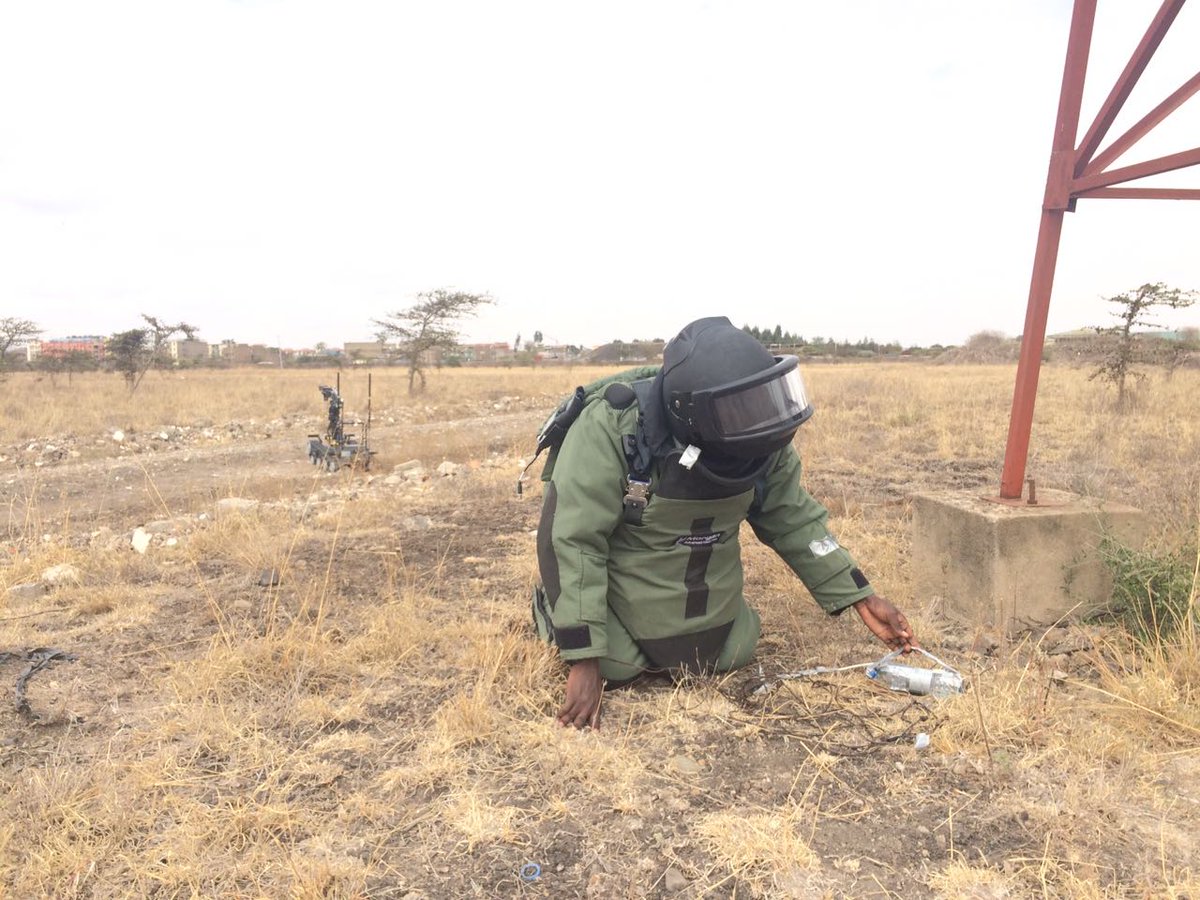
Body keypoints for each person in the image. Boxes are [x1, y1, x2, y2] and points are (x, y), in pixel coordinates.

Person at [532, 316, 916, 729]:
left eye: (764, 400)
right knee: (617, 666)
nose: (757, 417)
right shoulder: (613, 427)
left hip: (703, 593)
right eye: (740, 411)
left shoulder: (761, 434)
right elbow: (573, 539)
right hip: (627, 583)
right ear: (692, 413)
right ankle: (556, 614)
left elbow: (793, 516)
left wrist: (859, 594)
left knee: (735, 649)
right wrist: (583, 657)